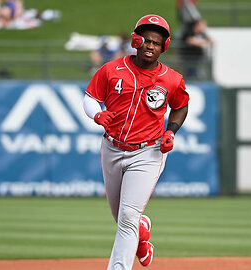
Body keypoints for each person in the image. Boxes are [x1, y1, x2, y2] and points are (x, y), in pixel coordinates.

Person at [83, 14, 189, 269]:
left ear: (164, 46)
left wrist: (171, 131)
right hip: (111, 147)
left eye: (156, 42)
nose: (150, 45)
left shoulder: (172, 79)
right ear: (136, 40)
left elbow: (181, 106)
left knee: (127, 216)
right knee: (119, 215)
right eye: (147, 40)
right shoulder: (111, 69)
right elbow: (90, 97)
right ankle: (142, 233)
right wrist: (97, 113)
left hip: (148, 152)